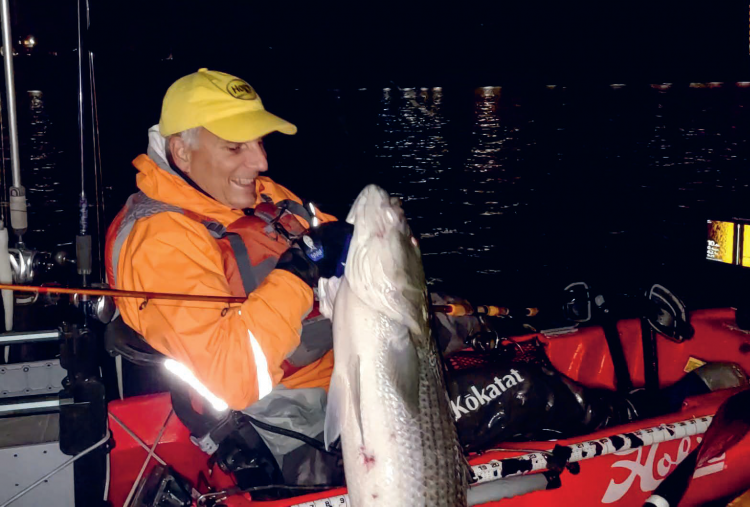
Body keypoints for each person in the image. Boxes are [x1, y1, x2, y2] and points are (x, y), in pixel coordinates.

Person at [105, 69, 357, 487]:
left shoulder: (251, 190)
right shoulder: (160, 241)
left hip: (349, 370)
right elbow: (232, 374)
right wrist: (297, 273)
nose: (260, 162)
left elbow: (326, 232)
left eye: (258, 142)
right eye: (235, 147)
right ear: (182, 154)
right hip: (284, 419)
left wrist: (363, 246)